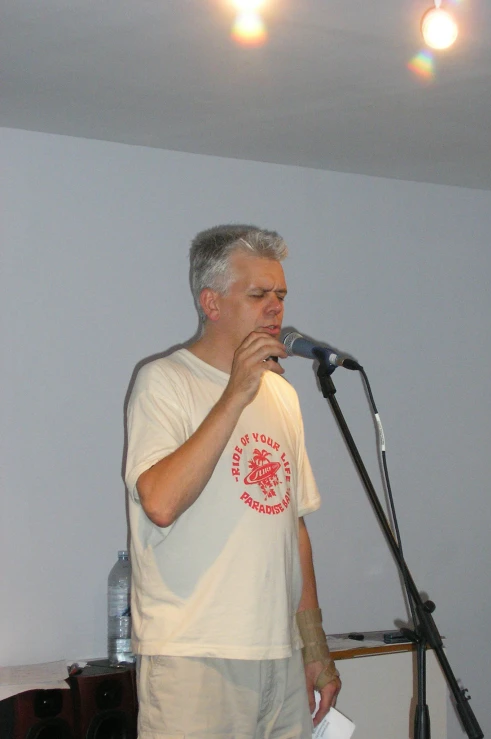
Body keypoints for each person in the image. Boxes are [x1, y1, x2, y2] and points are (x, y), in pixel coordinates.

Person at [125, 224, 341, 739]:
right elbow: (159, 501)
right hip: (194, 655)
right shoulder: (164, 381)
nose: (275, 308)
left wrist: (314, 646)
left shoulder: (283, 396)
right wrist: (235, 394)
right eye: (258, 294)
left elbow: (295, 530)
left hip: (279, 654)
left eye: (281, 295)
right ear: (211, 303)